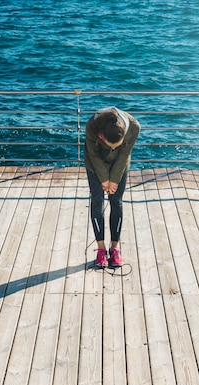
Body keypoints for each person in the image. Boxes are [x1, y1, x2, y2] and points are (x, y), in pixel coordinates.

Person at [84, 106, 140, 268]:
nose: (113, 148)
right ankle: (101, 249)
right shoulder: (92, 126)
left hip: (120, 164)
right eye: (111, 145)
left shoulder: (134, 127)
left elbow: (124, 154)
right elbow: (93, 154)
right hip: (95, 164)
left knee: (116, 201)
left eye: (117, 145)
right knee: (97, 200)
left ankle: (114, 248)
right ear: (101, 136)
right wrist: (103, 179)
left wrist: (113, 179)